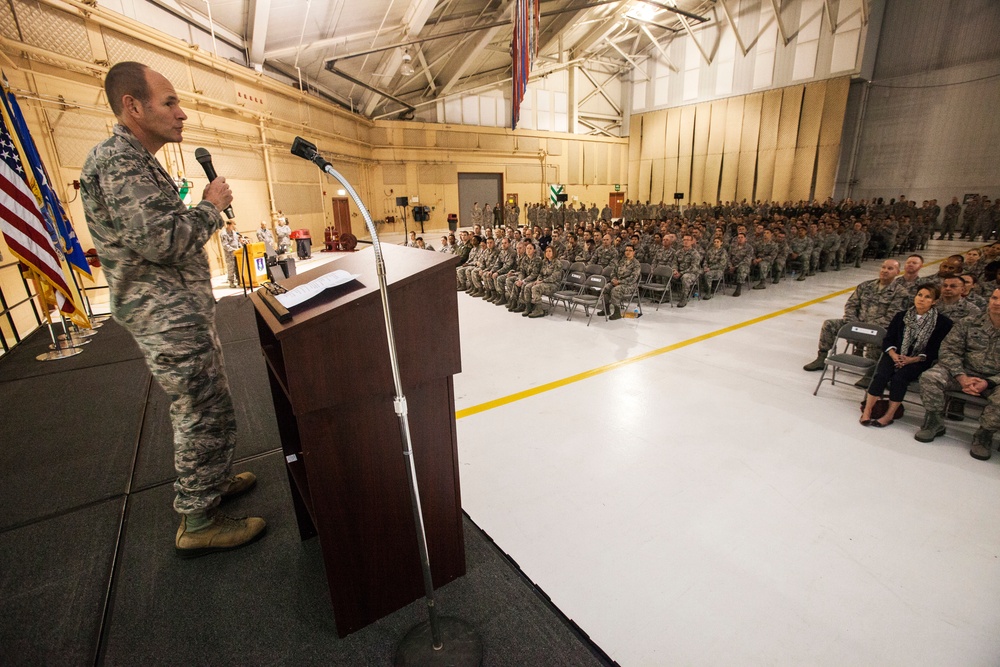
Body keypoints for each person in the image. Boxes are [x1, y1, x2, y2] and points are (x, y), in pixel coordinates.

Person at [80, 62, 264, 557]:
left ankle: (212, 480)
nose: (182, 114)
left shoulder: (138, 161)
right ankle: (199, 520)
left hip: (177, 310)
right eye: (169, 103)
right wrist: (209, 205)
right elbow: (163, 240)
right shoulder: (118, 162)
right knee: (200, 408)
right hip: (164, 314)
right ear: (132, 106)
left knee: (211, 402)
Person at [915, 289, 1000, 459]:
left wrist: (988, 382)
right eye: (994, 298)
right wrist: (961, 377)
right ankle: (934, 422)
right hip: (961, 372)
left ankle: (984, 435)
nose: (997, 303)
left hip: (994, 380)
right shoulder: (969, 322)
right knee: (930, 377)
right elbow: (948, 350)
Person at [860, 285, 952, 427]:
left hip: (919, 359)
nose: (922, 299)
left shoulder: (943, 323)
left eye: (927, 297)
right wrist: (893, 354)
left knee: (899, 378)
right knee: (881, 375)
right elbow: (888, 339)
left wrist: (912, 359)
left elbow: (936, 349)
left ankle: (889, 415)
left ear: (934, 301)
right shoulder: (901, 316)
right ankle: (867, 410)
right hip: (894, 354)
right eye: (919, 295)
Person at [803, 260, 906, 371]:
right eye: (883, 267)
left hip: (877, 329)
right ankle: (821, 358)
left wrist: (866, 328)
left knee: (882, 337)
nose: (885, 271)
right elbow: (851, 305)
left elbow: (892, 316)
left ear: (898, 272)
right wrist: (853, 323)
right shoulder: (866, 286)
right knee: (829, 324)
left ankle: (872, 370)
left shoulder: (900, 292)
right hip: (855, 323)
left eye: (890, 269)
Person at [219, 219, 242, 288]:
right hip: (230, 254)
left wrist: (240, 247)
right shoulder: (224, 234)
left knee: (237, 268)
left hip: (237, 253)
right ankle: (231, 282)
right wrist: (234, 250)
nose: (234, 227)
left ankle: (239, 280)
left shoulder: (234, 232)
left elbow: (237, 241)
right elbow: (225, 245)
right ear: (228, 225)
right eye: (232, 226)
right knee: (231, 268)